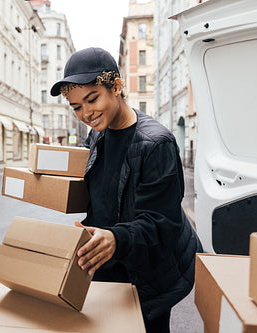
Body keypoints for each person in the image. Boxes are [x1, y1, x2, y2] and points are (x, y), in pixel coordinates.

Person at [50, 47, 203, 333]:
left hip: (151, 273)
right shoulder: (97, 134)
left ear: (117, 87)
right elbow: (100, 192)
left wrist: (116, 238)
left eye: (92, 99)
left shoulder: (157, 144)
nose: (86, 114)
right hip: (111, 263)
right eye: (76, 107)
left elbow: (162, 224)